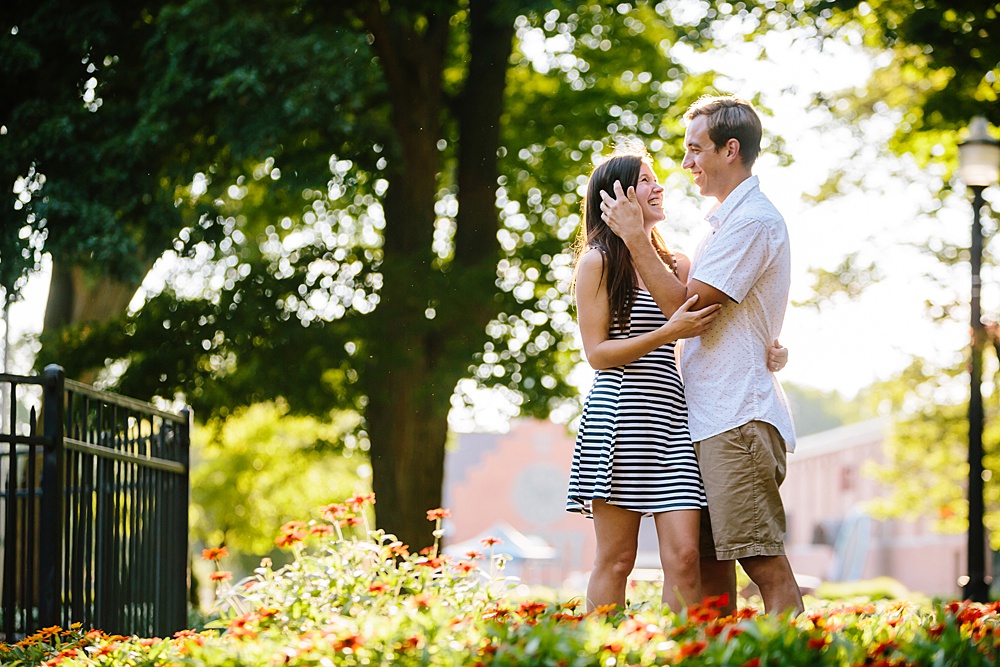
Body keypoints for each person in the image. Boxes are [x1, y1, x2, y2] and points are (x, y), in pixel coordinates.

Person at [600, 96, 803, 616]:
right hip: (707, 424)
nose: (685, 163)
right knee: (713, 579)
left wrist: (632, 235)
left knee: (763, 563)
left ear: (729, 150)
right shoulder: (720, 224)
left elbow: (681, 309)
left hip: (737, 418)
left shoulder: (752, 221)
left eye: (695, 149)